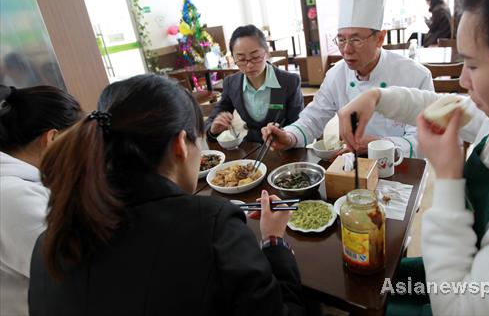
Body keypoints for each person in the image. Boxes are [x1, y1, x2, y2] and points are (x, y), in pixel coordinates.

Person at [338, 0, 489, 315]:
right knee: (362, 279)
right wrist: (376, 96)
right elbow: (435, 104)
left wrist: (449, 178)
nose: (463, 82)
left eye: (471, 64)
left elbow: (453, 306)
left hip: (457, 293)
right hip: (457, 260)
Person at [28, 75, 305, 315]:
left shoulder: (51, 239)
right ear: (180, 145)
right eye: (198, 139)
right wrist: (273, 241)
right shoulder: (213, 227)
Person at [263, 0, 433, 158]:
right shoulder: (337, 75)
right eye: (341, 39)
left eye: (356, 39)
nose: (346, 50)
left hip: (399, 164)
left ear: (380, 38)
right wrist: (288, 136)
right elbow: (314, 117)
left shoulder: (415, 75)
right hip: (350, 163)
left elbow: (425, 139)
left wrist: (381, 145)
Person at [0, 85, 82, 316]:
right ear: (53, 138)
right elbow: (75, 277)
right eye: (77, 142)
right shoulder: (14, 198)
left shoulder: (16, 186)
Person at [205, 25, 303, 143]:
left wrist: (285, 135)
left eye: (255, 57)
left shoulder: (289, 81)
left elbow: (298, 125)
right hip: (252, 147)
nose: (249, 65)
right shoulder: (232, 84)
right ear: (233, 58)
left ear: (266, 52)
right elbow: (213, 119)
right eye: (241, 59)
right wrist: (213, 130)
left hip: (285, 147)